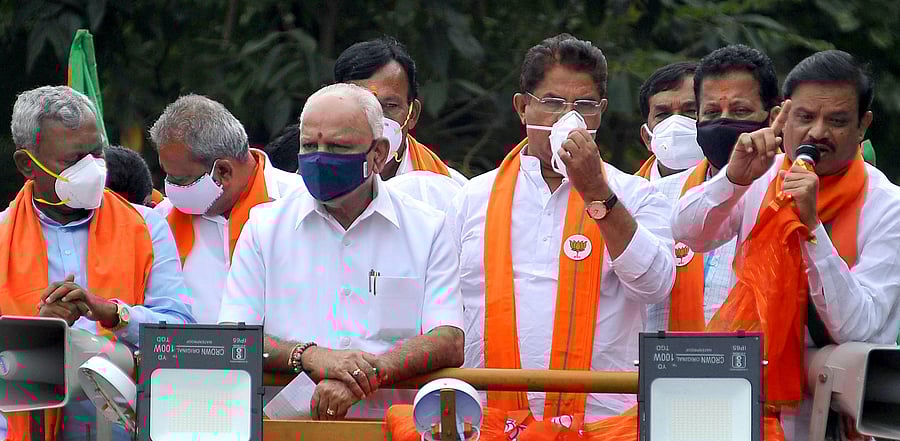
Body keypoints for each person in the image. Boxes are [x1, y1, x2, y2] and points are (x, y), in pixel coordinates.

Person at [673, 50, 900, 440]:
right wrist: (732, 179)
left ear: (863, 126)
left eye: (837, 121)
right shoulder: (762, 177)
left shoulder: (887, 205)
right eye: (805, 117)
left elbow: (858, 327)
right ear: (782, 115)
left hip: (837, 414)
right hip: (746, 403)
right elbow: (687, 233)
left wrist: (811, 228)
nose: (817, 133)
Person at [448, 34, 675, 421]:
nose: (568, 119)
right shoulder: (472, 198)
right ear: (523, 108)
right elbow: (444, 306)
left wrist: (598, 191)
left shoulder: (636, 194)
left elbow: (655, 285)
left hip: (601, 420)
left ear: (601, 112)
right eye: (552, 102)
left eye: (584, 106)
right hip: (490, 420)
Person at [218, 83, 464, 420]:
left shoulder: (427, 228)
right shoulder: (264, 227)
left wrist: (365, 375)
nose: (320, 158)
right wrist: (310, 356)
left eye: (338, 146)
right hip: (290, 430)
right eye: (309, 145)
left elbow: (449, 339)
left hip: (391, 429)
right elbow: (234, 338)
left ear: (378, 154)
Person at [0, 86, 194, 441]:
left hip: (132, 427)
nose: (91, 169)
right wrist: (39, 334)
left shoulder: (146, 227)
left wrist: (114, 313)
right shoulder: (1, 237)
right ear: (28, 164)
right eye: (73, 160)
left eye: (96, 153)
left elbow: (182, 333)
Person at [645, 45, 780, 332]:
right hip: (665, 358)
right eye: (711, 111)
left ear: (772, 117)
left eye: (740, 110)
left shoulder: (791, 188)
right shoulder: (655, 194)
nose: (723, 121)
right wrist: (731, 181)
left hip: (763, 354)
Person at [151, 94, 302, 324]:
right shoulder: (163, 219)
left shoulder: (299, 205)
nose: (170, 188)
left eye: (180, 180)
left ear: (223, 171)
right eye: (167, 176)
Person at [334, 37, 468, 186]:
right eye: (361, 105)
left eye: (390, 105)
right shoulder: (316, 181)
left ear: (413, 114)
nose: (374, 119)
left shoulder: (448, 189)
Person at [635, 61, 703, 180]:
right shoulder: (624, 191)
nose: (675, 124)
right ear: (647, 137)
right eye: (663, 114)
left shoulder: (735, 187)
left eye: (691, 111)